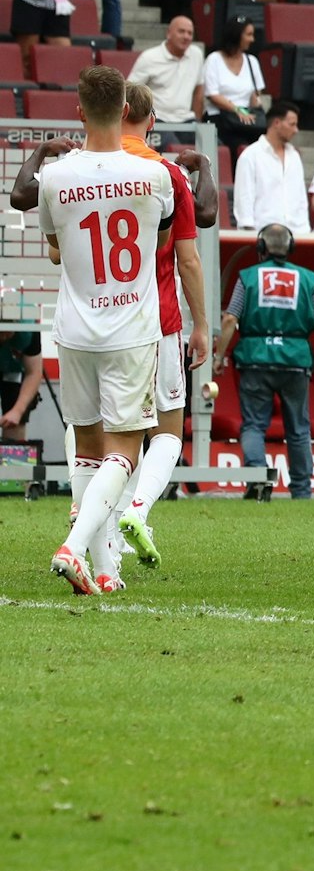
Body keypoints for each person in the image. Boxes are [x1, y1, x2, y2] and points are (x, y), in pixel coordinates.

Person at [41, 68, 177, 595]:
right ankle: (74, 549)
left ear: (79, 112)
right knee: (125, 451)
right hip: (130, 328)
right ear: (126, 112)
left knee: (87, 451)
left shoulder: (54, 178)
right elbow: (160, 232)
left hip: (74, 329)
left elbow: (55, 248)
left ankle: (102, 571)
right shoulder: (156, 174)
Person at [218, 222, 314, 502]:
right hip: (295, 360)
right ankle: (302, 491)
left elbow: (231, 317)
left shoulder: (248, 277)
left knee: (254, 425)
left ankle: (258, 479)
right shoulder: (306, 278)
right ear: (290, 248)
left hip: (255, 358)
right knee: (299, 429)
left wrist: (218, 356)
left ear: (260, 247)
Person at [232, 102, 308, 235]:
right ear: (277, 123)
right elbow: (244, 198)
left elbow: (301, 197)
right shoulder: (250, 156)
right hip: (263, 234)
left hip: (297, 233)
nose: (296, 130)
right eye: (292, 124)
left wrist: (305, 229)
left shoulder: (294, 156)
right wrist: (247, 232)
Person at [200, 15, 268, 152]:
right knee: (239, 145)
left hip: (246, 120)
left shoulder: (252, 61)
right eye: (248, 34)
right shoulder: (214, 59)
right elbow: (212, 95)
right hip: (220, 119)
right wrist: (238, 110)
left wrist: (256, 110)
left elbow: (255, 94)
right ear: (236, 35)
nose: (252, 39)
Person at [129, 15, 203, 124]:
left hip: (187, 119)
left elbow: (199, 90)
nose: (186, 36)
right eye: (181, 31)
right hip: (157, 119)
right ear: (168, 33)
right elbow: (131, 91)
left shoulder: (196, 55)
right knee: (172, 141)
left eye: (190, 33)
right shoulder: (149, 57)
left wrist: (198, 121)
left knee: (211, 140)